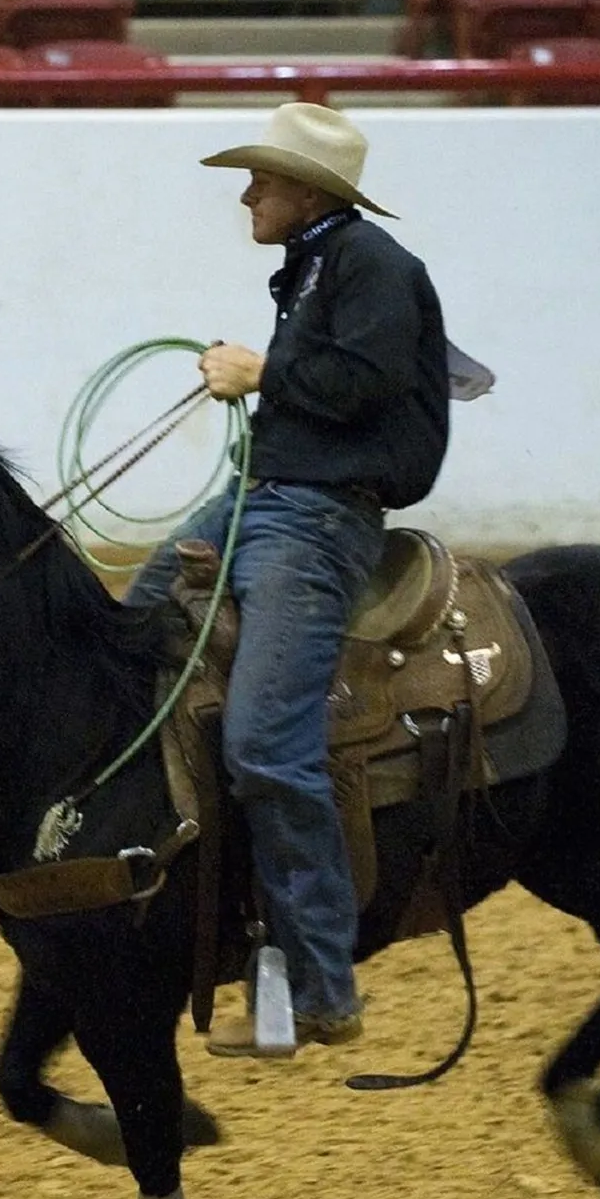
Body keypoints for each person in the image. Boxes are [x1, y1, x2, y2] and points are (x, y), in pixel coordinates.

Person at [124, 102, 451, 1057]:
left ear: (306, 188)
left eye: (260, 178)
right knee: (132, 622)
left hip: (316, 520)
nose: (247, 192)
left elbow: (368, 383)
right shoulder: (316, 267)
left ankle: (324, 983)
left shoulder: (374, 266)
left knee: (269, 744)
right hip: (262, 499)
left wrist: (264, 371)